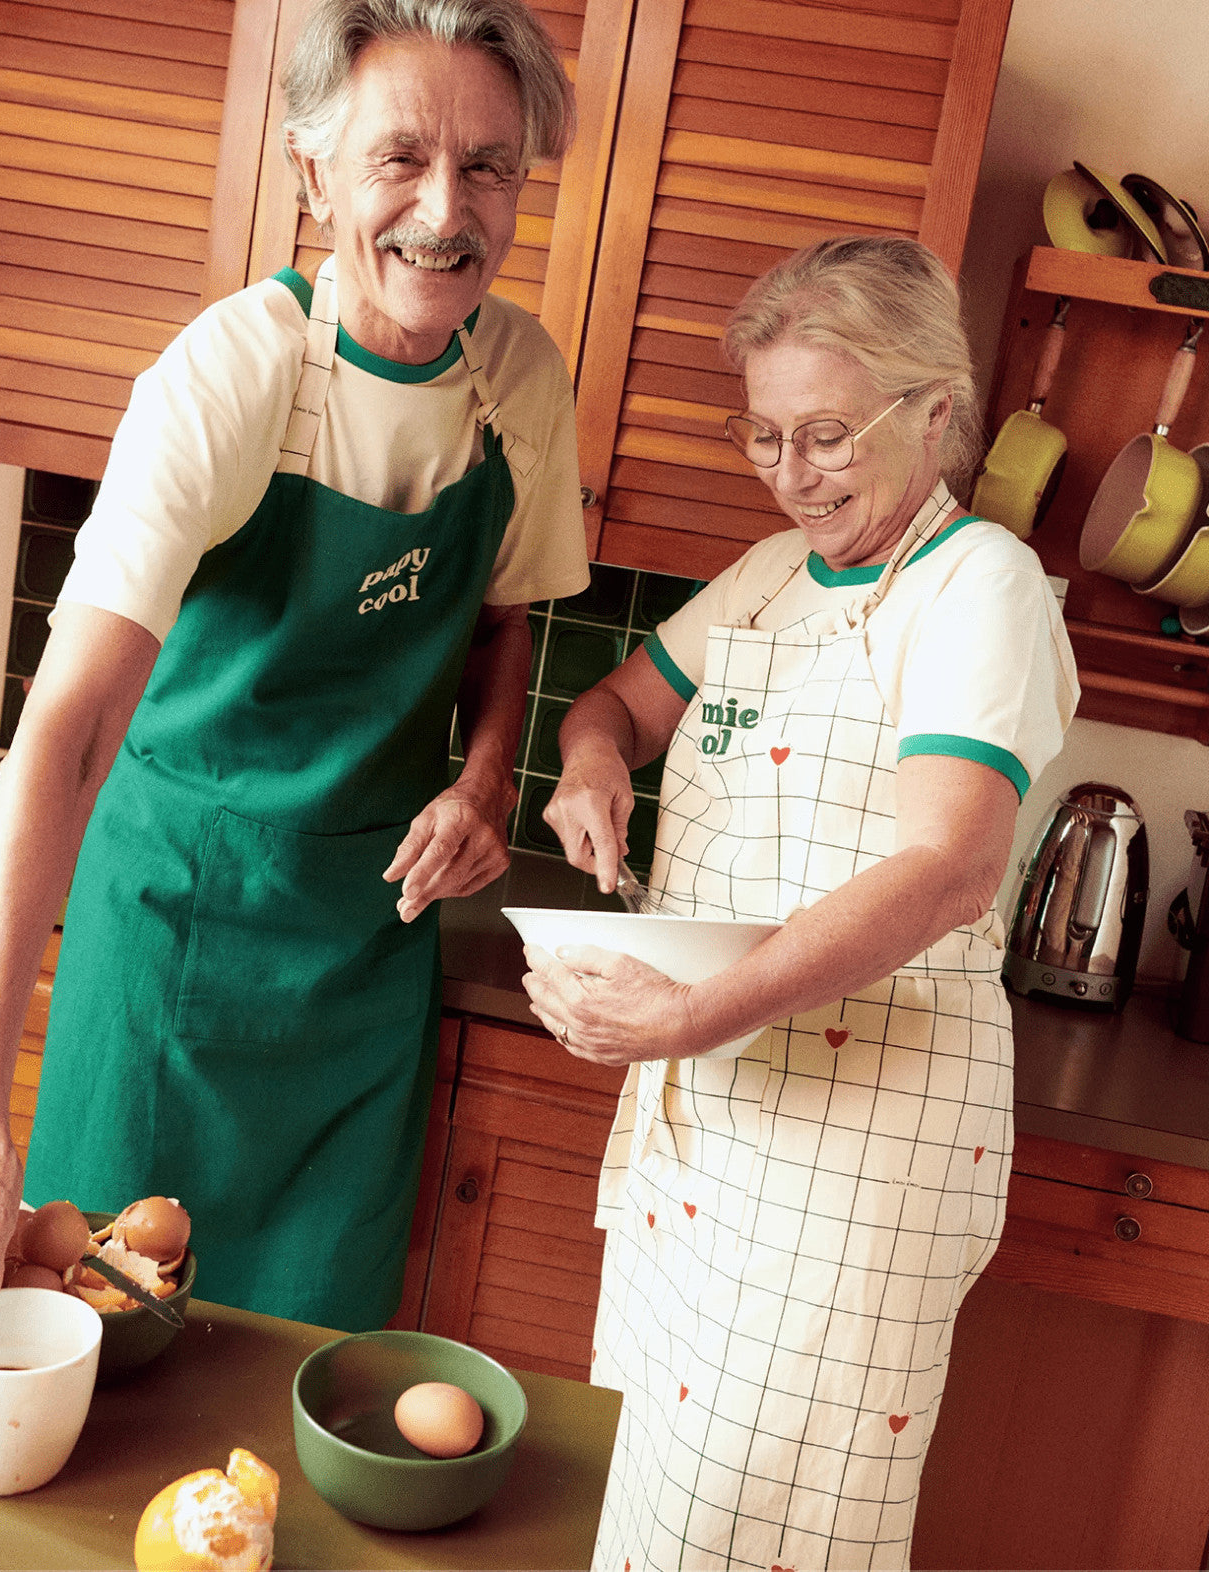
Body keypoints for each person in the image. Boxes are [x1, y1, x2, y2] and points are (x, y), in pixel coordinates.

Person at [0, 0, 588, 1333]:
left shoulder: (520, 378)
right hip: (174, 933)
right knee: (96, 1336)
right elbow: (64, 735)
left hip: (363, 954)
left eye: (487, 166)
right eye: (399, 157)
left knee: (309, 1356)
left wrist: (481, 785)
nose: (445, 207)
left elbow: (501, 619)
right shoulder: (231, 378)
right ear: (314, 175)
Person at [523, 235, 1079, 1571]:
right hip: (707, 1138)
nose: (789, 472)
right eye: (764, 434)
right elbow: (612, 707)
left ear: (933, 412)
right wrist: (592, 766)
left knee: (764, 1533)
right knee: (659, 1510)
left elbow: (950, 866)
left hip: (854, 1163)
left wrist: (702, 1010)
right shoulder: (772, 572)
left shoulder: (978, 591)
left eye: (825, 434)